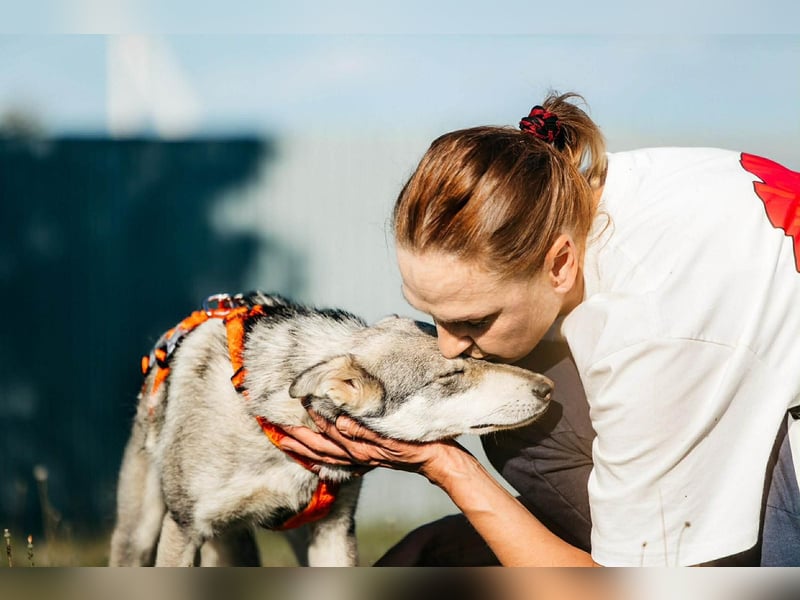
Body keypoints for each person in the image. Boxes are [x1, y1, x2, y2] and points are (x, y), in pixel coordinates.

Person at [279, 92, 800, 566]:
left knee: (526, 427)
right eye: (430, 313)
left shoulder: (649, 324)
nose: (447, 346)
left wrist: (446, 467)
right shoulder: (585, 194)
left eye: (473, 321)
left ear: (559, 264)